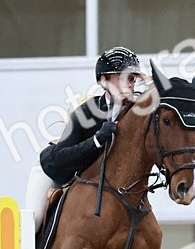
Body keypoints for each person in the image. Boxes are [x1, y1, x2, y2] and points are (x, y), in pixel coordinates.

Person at [38, 46, 146, 186]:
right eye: (121, 78)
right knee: (39, 206)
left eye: (131, 79)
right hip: (58, 171)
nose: (128, 85)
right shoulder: (86, 112)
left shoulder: (137, 112)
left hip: (108, 180)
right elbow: (59, 158)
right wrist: (96, 140)